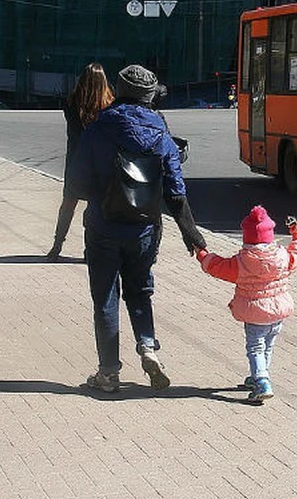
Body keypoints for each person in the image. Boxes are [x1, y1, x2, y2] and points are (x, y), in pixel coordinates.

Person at [65, 64, 207, 393]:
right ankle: (148, 348)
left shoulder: (99, 127)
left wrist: (103, 194)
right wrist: (192, 234)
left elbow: (76, 182)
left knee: (105, 298)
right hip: (144, 230)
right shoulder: (161, 132)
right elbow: (175, 191)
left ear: (119, 89)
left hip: (103, 226)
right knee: (140, 292)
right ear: (150, 96)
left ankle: (109, 373)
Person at [195, 206, 297, 403]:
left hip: (255, 313)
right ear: (270, 236)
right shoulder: (282, 257)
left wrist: (202, 253)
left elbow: (216, 266)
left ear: (246, 237)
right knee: (268, 345)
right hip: (278, 312)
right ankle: (259, 375)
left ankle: (262, 381)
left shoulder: (241, 262)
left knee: (255, 347)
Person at [45, 63, 114, 261]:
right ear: (104, 82)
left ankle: (56, 246)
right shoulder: (109, 105)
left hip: (76, 162)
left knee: (68, 205)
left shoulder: (71, 104)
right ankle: (89, 250)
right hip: (100, 163)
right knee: (95, 207)